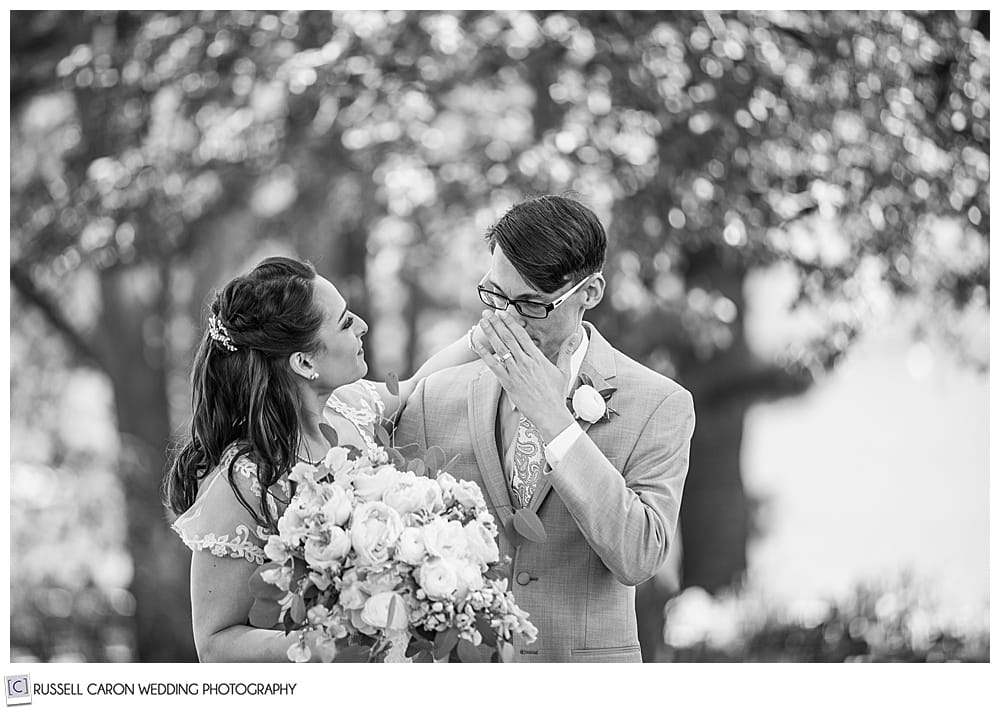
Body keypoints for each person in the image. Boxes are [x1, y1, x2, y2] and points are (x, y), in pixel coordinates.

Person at [394, 195, 696, 662]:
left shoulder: (660, 404)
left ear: (590, 294)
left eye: (532, 304)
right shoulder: (436, 397)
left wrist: (555, 421)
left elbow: (639, 556)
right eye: (496, 296)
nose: (508, 318)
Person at [163, 256, 478, 662]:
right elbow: (215, 643)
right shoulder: (246, 479)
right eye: (346, 322)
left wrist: (481, 339)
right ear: (305, 362)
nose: (362, 325)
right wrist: (324, 647)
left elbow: (417, 385)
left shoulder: (351, 407)